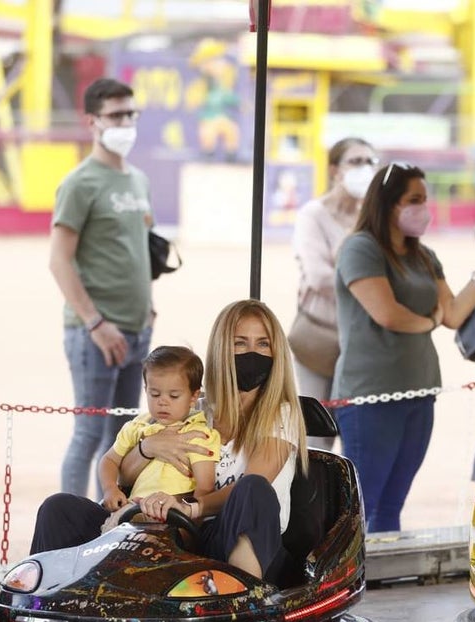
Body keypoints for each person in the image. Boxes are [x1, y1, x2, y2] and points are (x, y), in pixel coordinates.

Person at [32, 299, 307, 581]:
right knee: (59, 509)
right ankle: (47, 597)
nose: (252, 353)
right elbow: (124, 476)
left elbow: (253, 483)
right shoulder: (193, 409)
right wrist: (147, 448)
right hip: (174, 532)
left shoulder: (281, 414)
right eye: (240, 343)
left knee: (253, 488)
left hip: (226, 537)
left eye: (263, 344)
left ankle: (243, 596)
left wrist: (188, 507)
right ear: (222, 348)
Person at [333, 161, 475, 533]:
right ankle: (355, 568)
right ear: (387, 203)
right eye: (413, 200)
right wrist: (429, 322)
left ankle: (383, 566)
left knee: (392, 504)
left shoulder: (423, 255)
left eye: (424, 199)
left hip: (419, 392)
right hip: (370, 397)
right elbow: (388, 314)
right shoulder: (360, 248)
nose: (423, 208)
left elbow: (453, 313)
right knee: (362, 506)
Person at [49, 77, 154, 499]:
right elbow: (59, 260)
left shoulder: (139, 180)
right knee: (89, 435)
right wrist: (95, 323)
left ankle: (108, 522)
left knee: (122, 439)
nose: (126, 123)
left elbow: (138, 249)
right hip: (95, 333)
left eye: (131, 114)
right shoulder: (80, 183)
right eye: (116, 115)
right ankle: (72, 525)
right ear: (92, 121)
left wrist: (148, 306)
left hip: (137, 329)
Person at [289, 137, 377, 449]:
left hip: (363, 344)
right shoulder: (312, 215)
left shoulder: (374, 216)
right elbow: (318, 277)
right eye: (356, 161)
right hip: (319, 338)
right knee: (316, 435)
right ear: (335, 170)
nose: (365, 168)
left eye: (370, 161)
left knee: (360, 433)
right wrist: (370, 290)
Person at [98, 346, 221, 530]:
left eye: (174, 395)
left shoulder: (199, 434)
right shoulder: (137, 427)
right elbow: (109, 460)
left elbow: (205, 487)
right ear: (146, 389)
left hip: (172, 516)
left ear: (193, 396)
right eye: (154, 394)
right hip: (133, 510)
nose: (162, 401)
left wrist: (190, 526)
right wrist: (110, 488)